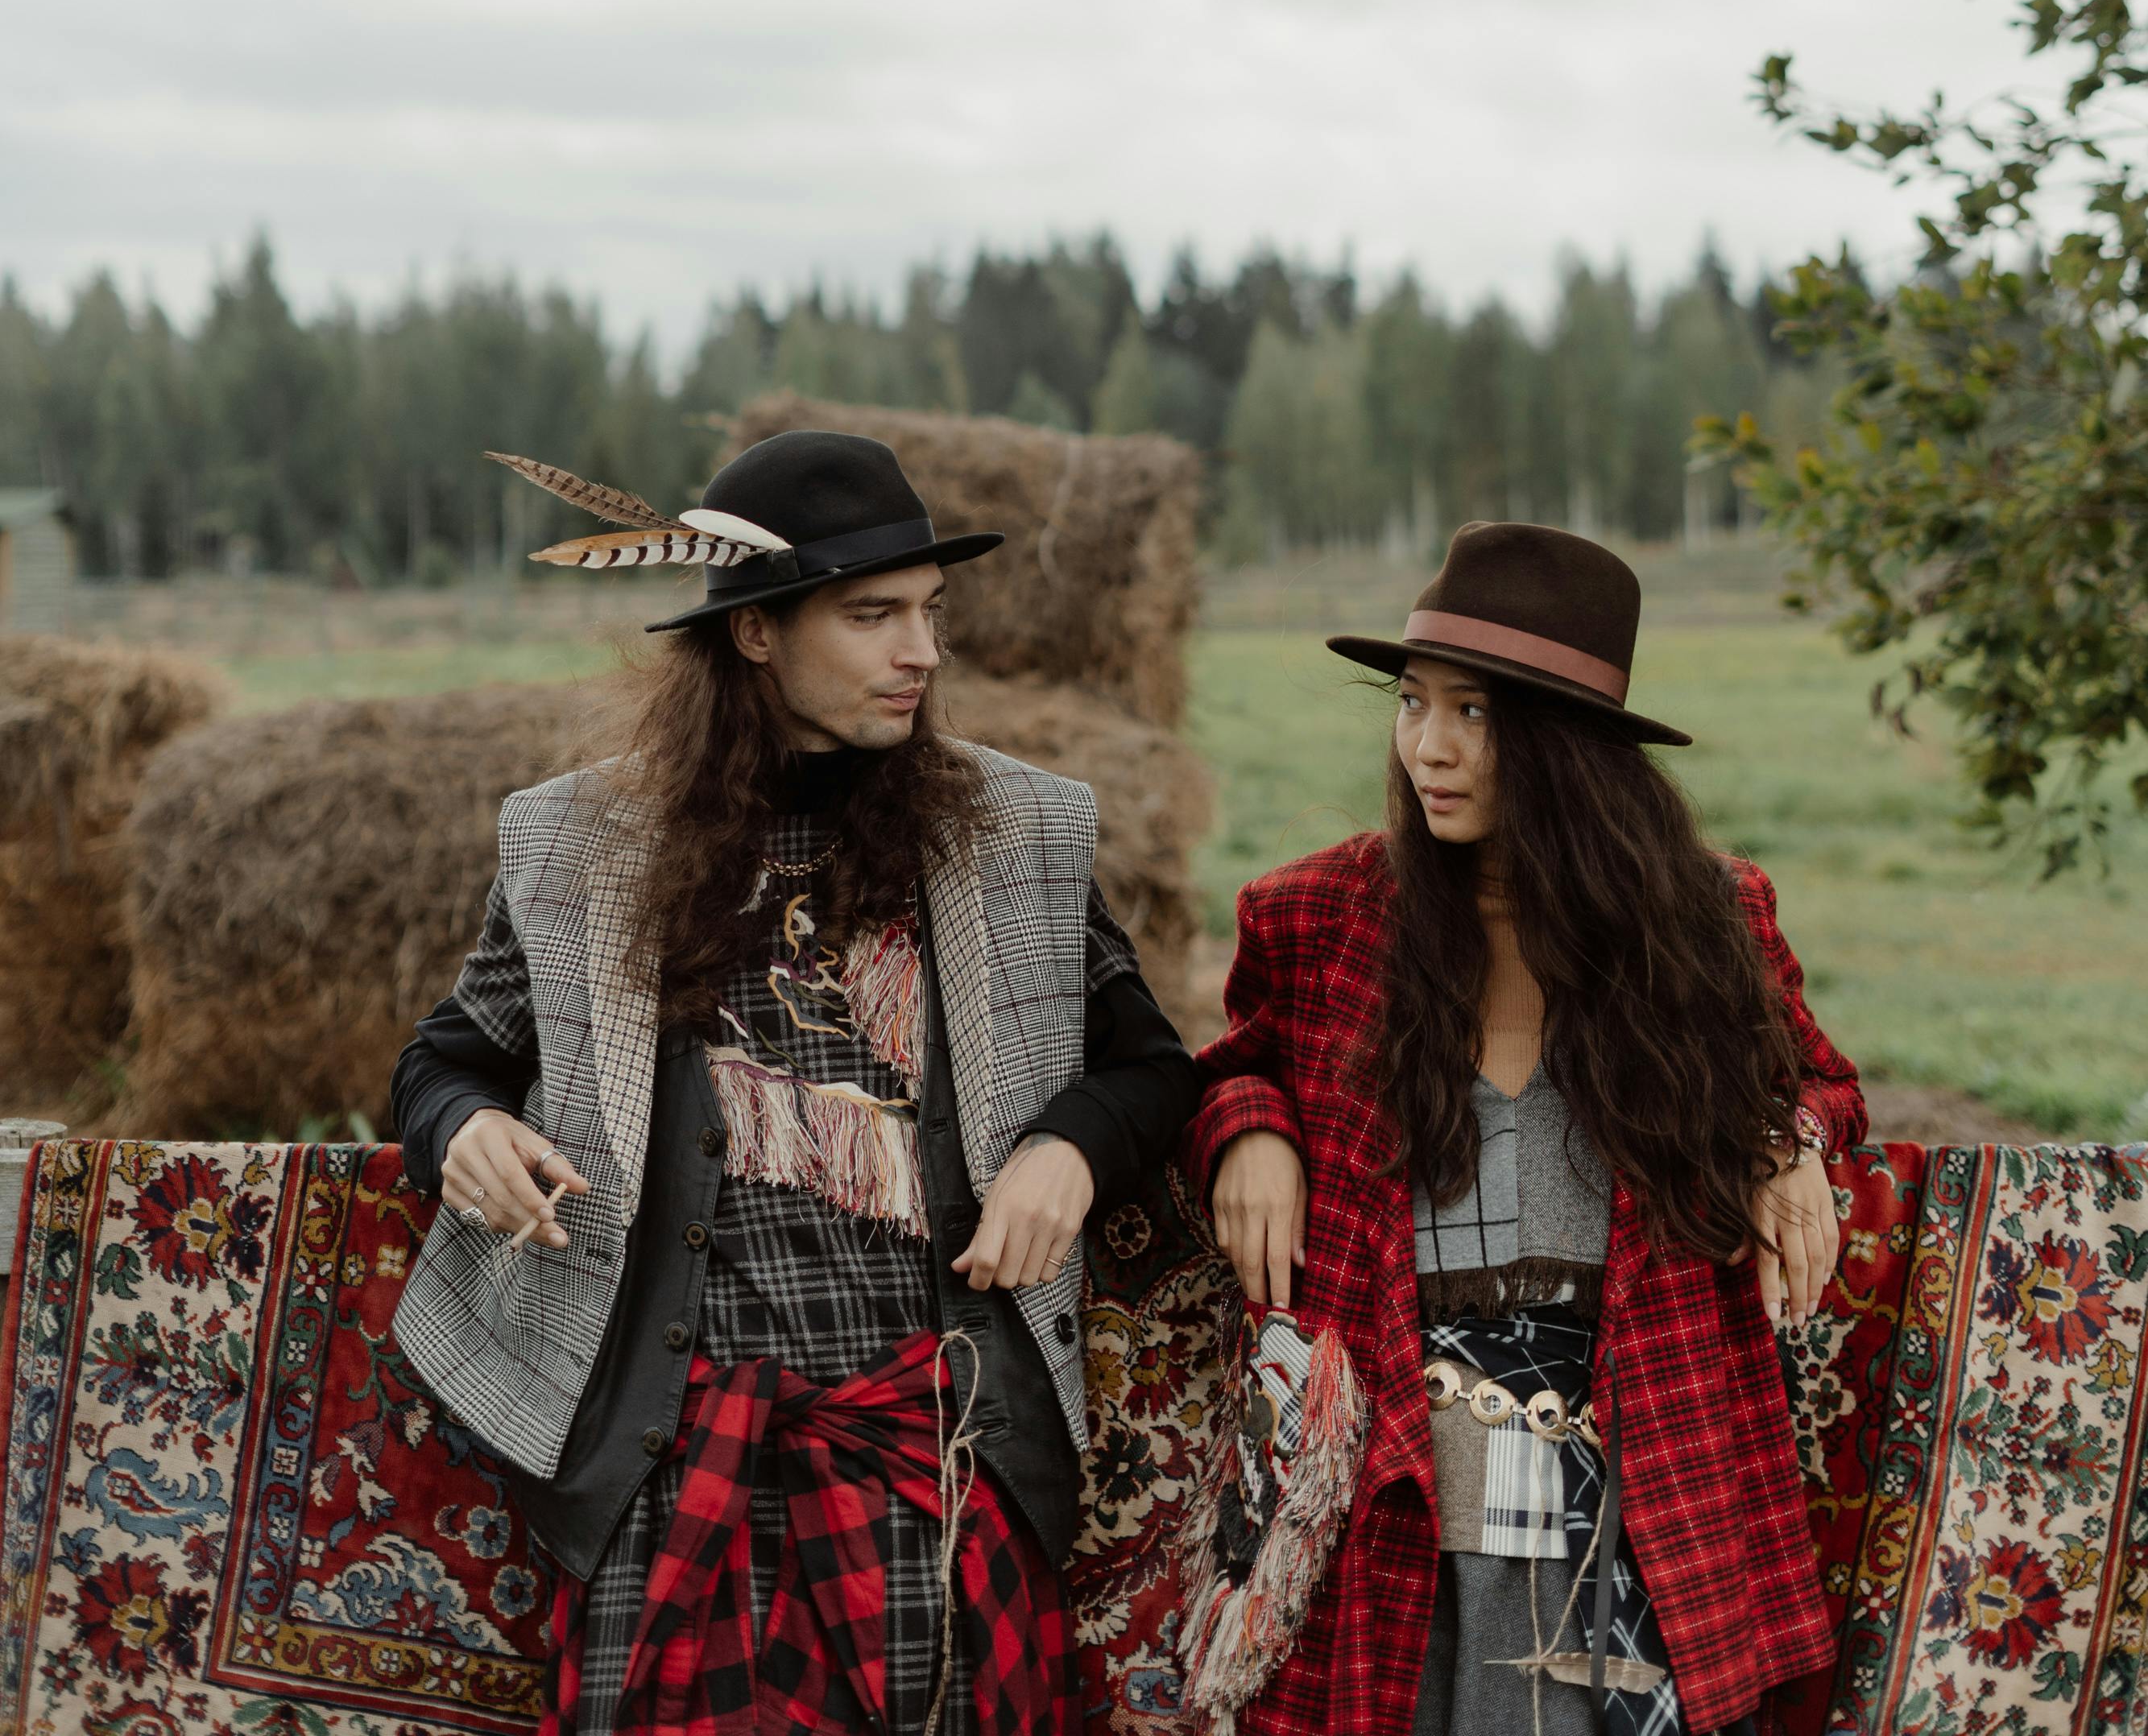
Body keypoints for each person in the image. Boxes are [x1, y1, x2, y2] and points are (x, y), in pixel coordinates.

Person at [389, 428, 1198, 1736]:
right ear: (758, 634)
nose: (921, 652)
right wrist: (464, 1127)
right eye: (874, 616)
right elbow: (446, 1058)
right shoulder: (581, 841)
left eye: (930, 613)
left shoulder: (1019, 831)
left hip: (939, 1455)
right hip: (680, 1471)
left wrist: (1071, 1147)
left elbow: (1150, 1066)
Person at [1187, 522, 1863, 1736]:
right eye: (1412, 703)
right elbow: (1235, 1066)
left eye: (1477, 715)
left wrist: (1789, 1142)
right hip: (1394, 1494)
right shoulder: (1317, 915)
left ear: (1566, 749)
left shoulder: (1702, 921)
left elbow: (1821, 1083)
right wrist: (1251, 1131)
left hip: (1643, 1494)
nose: (1428, 748)